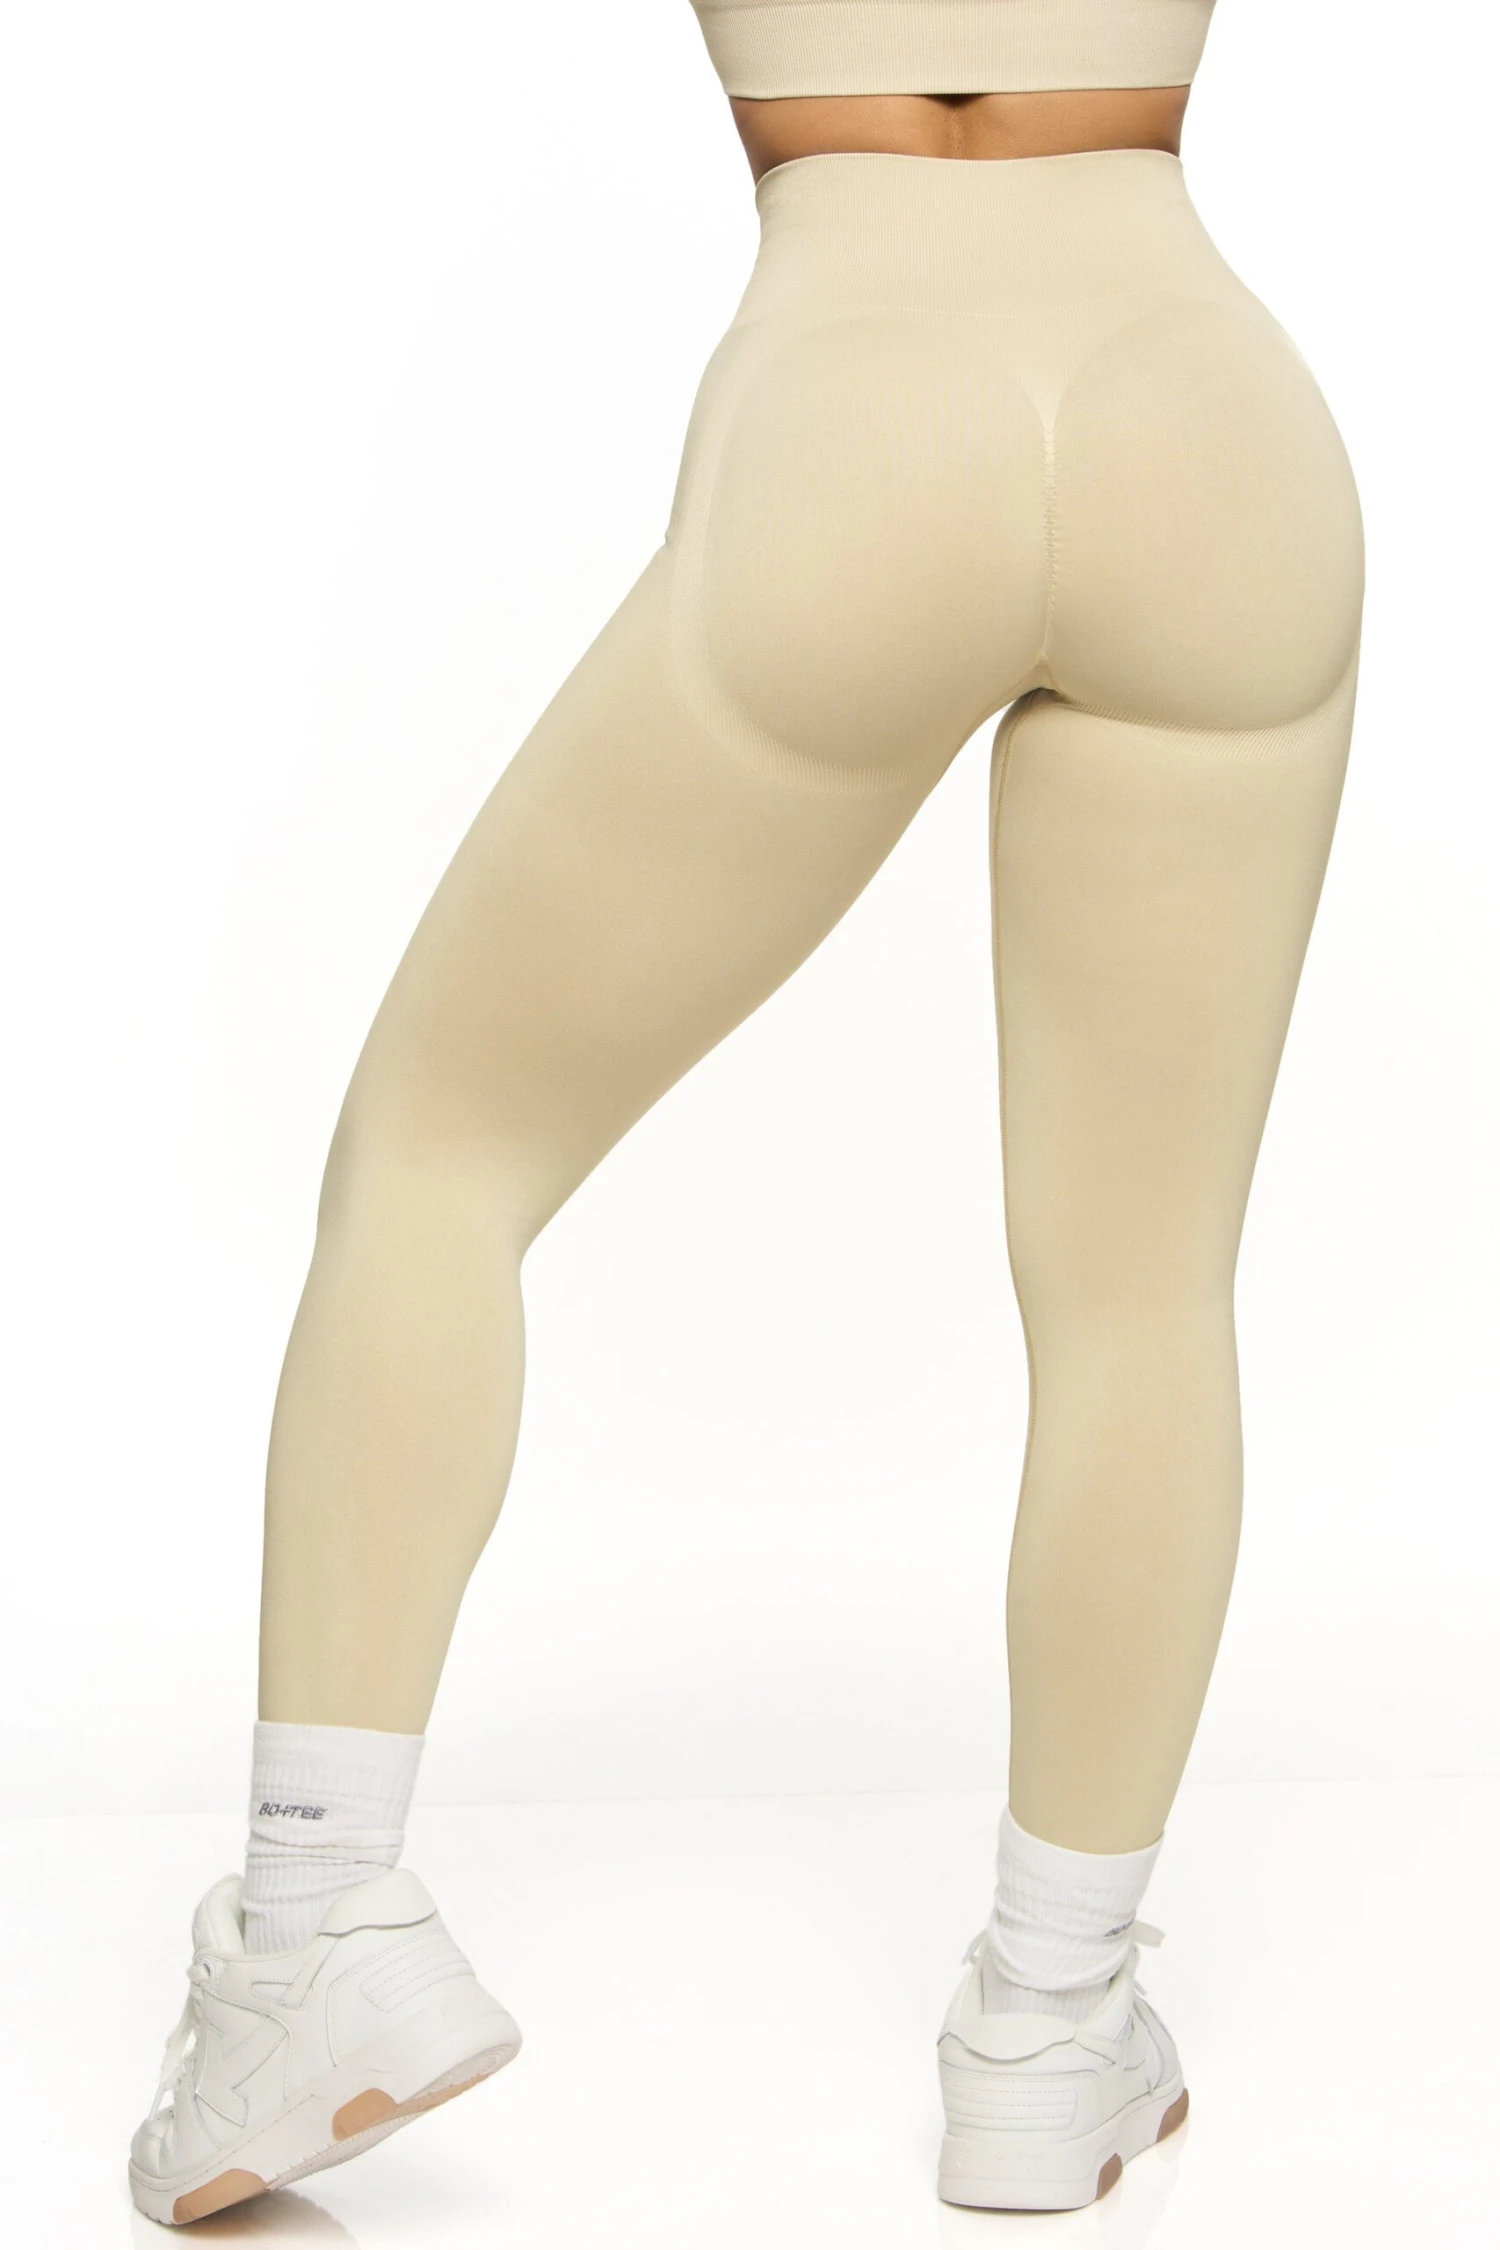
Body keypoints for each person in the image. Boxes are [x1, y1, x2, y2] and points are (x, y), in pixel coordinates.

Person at [128, 0, 1363, 2224]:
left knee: (436, 1158)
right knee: (1144, 1290)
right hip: (1208, 402)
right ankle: (1053, 2023)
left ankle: (310, 1932)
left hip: (863, 398)